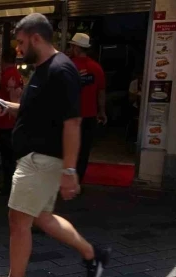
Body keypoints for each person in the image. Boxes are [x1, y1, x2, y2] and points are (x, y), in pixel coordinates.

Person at [0, 13, 110, 277]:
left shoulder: (61, 71)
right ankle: (93, 255)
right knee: (42, 218)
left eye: (20, 42)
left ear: (36, 38)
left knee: (18, 220)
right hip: (36, 158)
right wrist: (6, 106)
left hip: (41, 160)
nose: (17, 48)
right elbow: (34, 111)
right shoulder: (41, 69)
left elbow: (72, 122)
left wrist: (69, 170)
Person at [69, 33, 107, 182]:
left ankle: (64, 180)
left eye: (72, 46)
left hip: (70, 115)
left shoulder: (68, 65)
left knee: (68, 148)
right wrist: (102, 111)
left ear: (77, 48)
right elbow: (101, 92)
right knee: (83, 151)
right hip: (89, 116)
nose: (71, 48)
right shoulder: (96, 67)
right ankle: (77, 182)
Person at [0, 48, 24, 195]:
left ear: (3, 60)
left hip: (6, 122)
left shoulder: (10, 75)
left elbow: (14, 100)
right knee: (9, 157)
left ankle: (9, 187)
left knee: (8, 157)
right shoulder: (15, 74)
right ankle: (10, 186)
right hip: (8, 122)